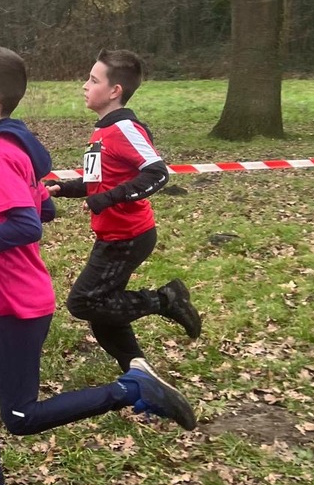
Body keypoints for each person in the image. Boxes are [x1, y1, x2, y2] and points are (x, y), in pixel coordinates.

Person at [0, 46, 196, 485]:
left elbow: (26, 226)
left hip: (18, 305)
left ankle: (131, 388)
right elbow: (42, 207)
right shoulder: (11, 143)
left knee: (21, 416)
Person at [47, 49, 201, 373]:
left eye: (93, 80)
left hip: (128, 237)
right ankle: (140, 376)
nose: (85, 86)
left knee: (83, 302)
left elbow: (157, 173)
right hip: (112, 235)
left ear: (115, 91)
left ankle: (167, 299)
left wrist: (107, 199)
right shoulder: (102, 130)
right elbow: (97, 180)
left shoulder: (125, 128)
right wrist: (64, 188)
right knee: (103, 316)